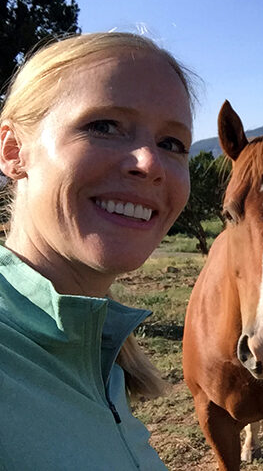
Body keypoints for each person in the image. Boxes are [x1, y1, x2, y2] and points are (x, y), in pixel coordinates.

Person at [0, 32, 195, 470]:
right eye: (104, 126)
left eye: (172, 144)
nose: (149, 163)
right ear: (14, 150)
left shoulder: (97, 349)